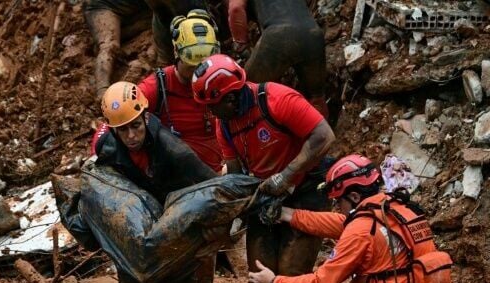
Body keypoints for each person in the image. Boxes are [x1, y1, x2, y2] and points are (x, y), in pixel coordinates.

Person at [192, 54, 336, 283]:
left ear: (230, 98)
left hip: (305, 187)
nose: (210, 113)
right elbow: (235, 173)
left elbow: (324, 135)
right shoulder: (226, 125)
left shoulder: (278, 100)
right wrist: (233, 209)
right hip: (264, 194)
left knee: (292, 271)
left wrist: (286, 176)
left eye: (212, 106)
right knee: (261, 276)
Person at [248, 154, 454, 283]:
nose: (339, 206)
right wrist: (288, 214)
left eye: (339, 201)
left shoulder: (361, 230)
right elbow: (339, 223)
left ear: (354, 197)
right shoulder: (399, 210)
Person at [92, 81, 218, 283]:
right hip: (134, 213)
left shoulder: (171, 147)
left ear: (145, 117)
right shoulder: (105, 147)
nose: (131, 137)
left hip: (172, 207)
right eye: (122, 130)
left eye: (136, 126)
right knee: (127, 275)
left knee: (185, 277)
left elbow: (209, 182)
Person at [138, 9, 222, 172]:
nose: (199, 74)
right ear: (176, 53)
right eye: (191, 66)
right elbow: (116, 119)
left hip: (225, 172)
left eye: (204, 67)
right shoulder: (156, 87)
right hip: (181, 178)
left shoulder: (221, 77)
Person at [226, 0, 330, 121]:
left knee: (247, 93)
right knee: (316, 97)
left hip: (279, 35)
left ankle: (254, 136)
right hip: (312, 34)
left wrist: (240, 43)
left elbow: (236, 9)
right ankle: (324, 136)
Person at [83, 0, 152, 102]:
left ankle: (124, 31)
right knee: (109, 46)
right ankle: (102, 92)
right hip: (104, 7)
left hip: (138, 12)